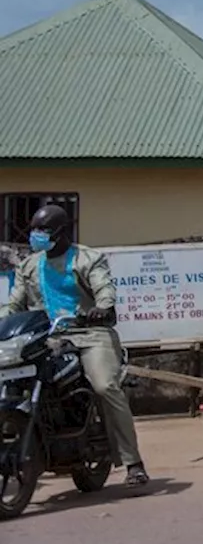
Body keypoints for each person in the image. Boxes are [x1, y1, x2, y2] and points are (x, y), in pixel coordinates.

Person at [2, 205, 149, 486]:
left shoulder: (87, 258)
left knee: (105, 386)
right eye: (34, 230)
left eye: (43, 231)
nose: (36, 236)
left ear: (60, 232)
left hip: (91, 333)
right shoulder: (30, 265)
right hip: (48, 338)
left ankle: (133, 463)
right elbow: (15, 304)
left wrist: (102, 307)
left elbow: (104, 289)